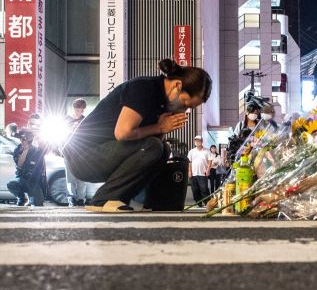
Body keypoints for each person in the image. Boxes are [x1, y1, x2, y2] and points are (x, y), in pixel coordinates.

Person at [62, 58, 212, 212]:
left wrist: (160, 129)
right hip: (82, 157)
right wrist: (159, 127)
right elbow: (123, 133)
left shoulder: (162, 103)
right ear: (177, 85)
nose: (184, 110)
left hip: (103, 153)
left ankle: (130, 199)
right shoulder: (145, 88)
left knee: (163, 149)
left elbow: (150, 148)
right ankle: (103, 200)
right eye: (186, 103)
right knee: (153, 147)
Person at [7, 128, 46, 206]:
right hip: (22, 179)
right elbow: (19, 164)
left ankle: (31, 197)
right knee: (11, 184)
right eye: (21, 138)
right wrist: (25, 150)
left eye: (24, 138)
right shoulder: (18, 149)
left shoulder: (37, 150)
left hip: (34, 182)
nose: (22, 140)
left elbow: (44, 147)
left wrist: (40, 138)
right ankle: (22, 198)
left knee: (37, 203)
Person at [64, 98, 88, 206]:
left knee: (82, 176)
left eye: (82, 110)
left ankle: (81, 199)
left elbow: (88, 135)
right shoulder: (67, 119)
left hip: (82, 151)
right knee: (70, 177)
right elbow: (62, 133)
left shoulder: (85, 119)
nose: (80, 112)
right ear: (74, 109)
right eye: (78, 110)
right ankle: (72, 198)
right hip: (69, 151)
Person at [188, 135, 211, 205]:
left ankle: (207, 203)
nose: (197, 142)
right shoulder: (191, 151)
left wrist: (208, 170)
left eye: (199, 140)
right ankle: (198, 203)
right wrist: (189, 171)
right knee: (195, 190)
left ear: (202, 141)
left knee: (204, 189)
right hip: (193, 173)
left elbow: (210, 162)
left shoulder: (207, 151)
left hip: (202, 173)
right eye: (196, 141)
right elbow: (189, 162)